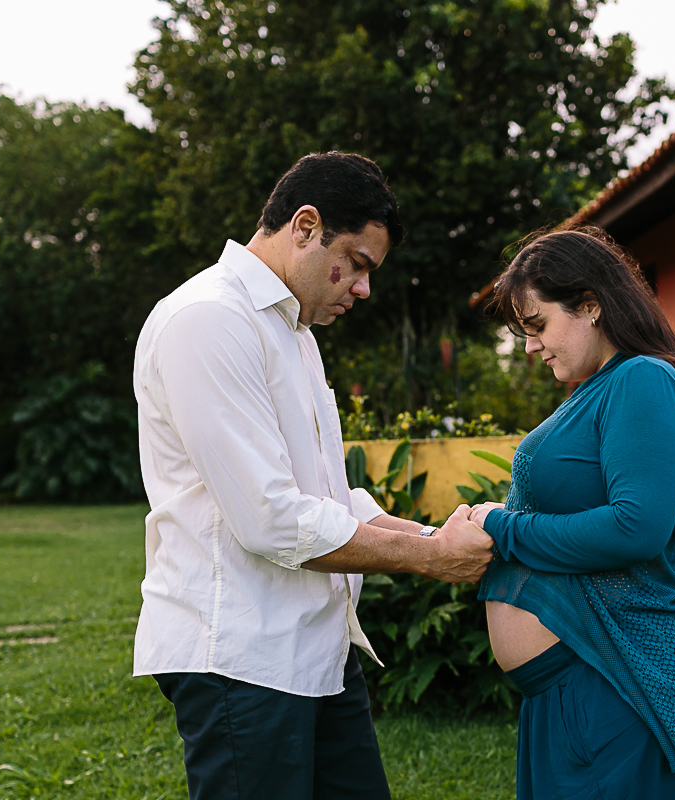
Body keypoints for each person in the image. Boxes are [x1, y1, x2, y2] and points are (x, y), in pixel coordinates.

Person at [132, 151, 494, 800]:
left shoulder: (294, 332)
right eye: (356, 263)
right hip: (240, 654)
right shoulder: (209, 318)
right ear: (304, 225)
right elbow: (270, 518)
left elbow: (328, 493)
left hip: (316, 648)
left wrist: (426, 531)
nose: (363, 288)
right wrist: (429, 558)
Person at [468, 227, 675, 799]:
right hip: (590, 683)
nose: (530, 347)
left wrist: (501, 528)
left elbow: (637, 528)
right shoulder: (595, 389)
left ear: (591, 305)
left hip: (637, 682)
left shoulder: (642, 379)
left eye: (538, 326)